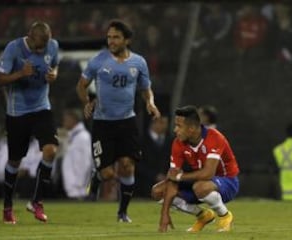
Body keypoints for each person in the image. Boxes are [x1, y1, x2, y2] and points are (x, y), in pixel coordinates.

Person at [76, 19, 161, 222]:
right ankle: (97, 177)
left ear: (127, 40)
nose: (111, 41)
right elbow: (81, 85)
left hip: (126, 122)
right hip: (102, 124)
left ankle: (122, 213)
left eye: (116, 37)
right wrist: (87, 102)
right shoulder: (98, 60)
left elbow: (145, 88)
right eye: (109, 37)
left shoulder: (138, 62)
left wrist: (150, 102)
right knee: (107, 174)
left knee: (127, 166)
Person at [0, 21, 59, 224]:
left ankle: (36, 201)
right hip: (18, 112)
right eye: (38, 45)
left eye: (44, 45)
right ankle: (7, 206)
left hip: (42, 107)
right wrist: (20, 74)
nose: (42, 50)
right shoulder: (13, 48)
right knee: (15, 161)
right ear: (29, 35)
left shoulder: (53, 46)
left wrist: (54, 74)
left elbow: (55, 65)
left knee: (51, 150)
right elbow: (0, 78)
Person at [151, 105, 239, 233]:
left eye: (179, 126)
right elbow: (172, 178)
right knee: (157, 191)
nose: (175, 130)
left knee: (201, 187)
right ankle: (203, 216)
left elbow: (208, 173)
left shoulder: (214, 137)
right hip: (198, 181)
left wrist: (180, 177)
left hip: (227, 181)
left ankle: (224, 215)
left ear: (191, 128)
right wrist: (164, 214)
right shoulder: (178, 143)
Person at [60, 109, 93, 199]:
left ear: (73, 120)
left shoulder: (83, 137)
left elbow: (86, 163)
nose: (63, 122)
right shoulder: (74, 137)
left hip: (78, 189)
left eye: (66, 120)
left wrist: (79, 184)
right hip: (72, 188)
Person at [136, 115, 172, 198]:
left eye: (166, 123)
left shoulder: (171, 141)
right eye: (162, 122)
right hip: (144, 186)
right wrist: (155, 176)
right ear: (153, 123)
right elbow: (138, 164)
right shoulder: (141, 141)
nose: (165, 126)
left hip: (167, 184)